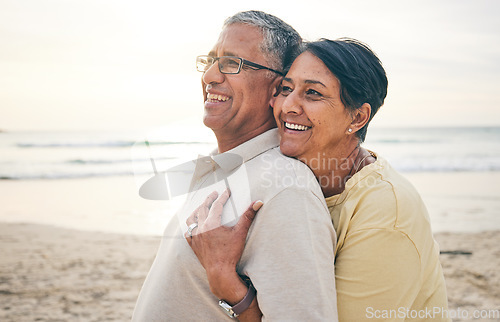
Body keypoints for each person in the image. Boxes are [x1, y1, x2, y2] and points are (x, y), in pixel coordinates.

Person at [188, 38, 451, 321]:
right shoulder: (294, 182)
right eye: (286, 89)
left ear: (358, 117)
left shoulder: (386, 212)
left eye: (312, 93)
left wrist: (226, 284)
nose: (288, 105)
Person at [132, 11, 338, 321]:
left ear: (277, 89)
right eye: (211, 61)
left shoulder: (285, 187)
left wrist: (229, 287)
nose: (210, 76)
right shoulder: (222, 167)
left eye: (232, 63)